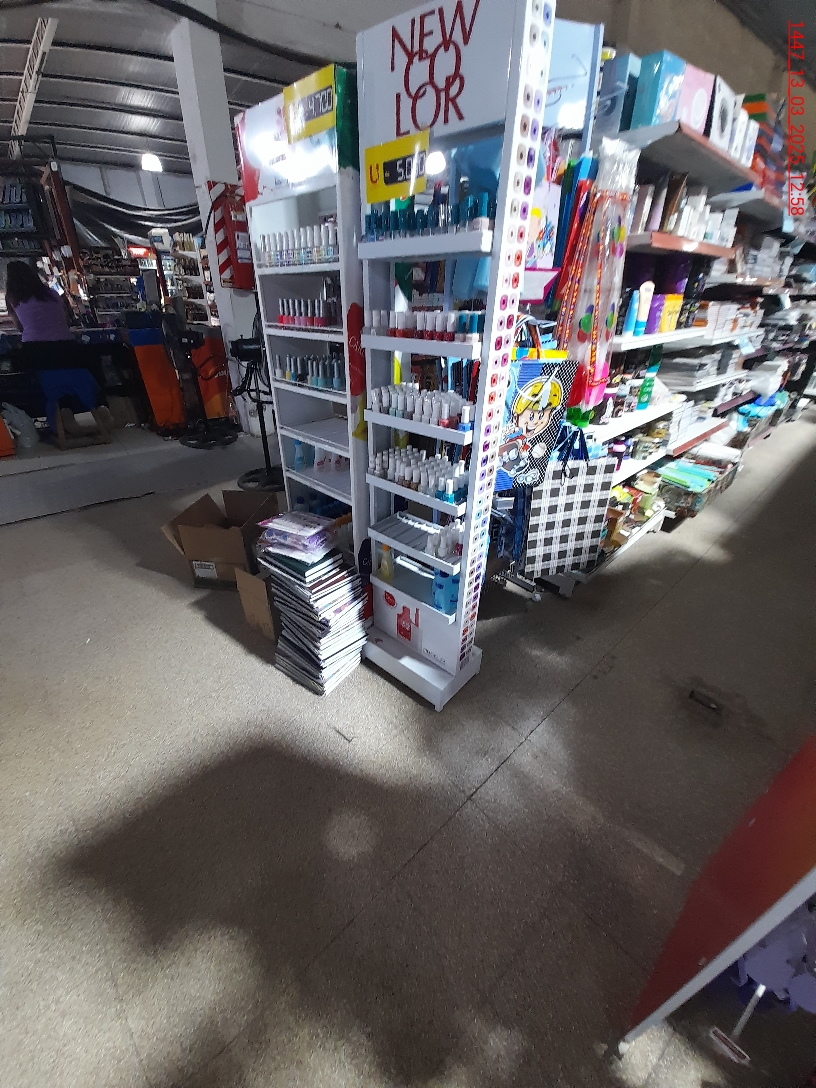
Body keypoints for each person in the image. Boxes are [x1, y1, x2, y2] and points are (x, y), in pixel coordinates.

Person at [4, 260, 72, 342]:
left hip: (34, 343)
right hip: (65, 340)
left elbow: (19, 326)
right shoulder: (52, 293)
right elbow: (66, 318)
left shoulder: (14, 298)